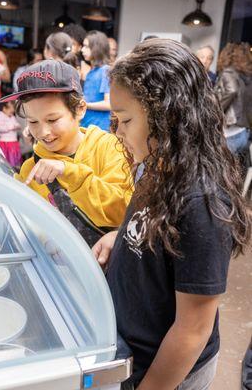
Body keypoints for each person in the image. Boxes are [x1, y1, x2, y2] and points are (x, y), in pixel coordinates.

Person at [93, 39, 251, 389]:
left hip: (167, 372)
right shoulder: (155, 162)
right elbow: (150, 223)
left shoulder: (204, 203)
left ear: (168, 115)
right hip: (132, 349)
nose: (116, 132)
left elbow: (192, 330)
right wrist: (118, 237)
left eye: (125, 120)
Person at [0, 60, 132, 246]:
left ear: (80, 109)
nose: (43, 132)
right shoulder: (31, 168)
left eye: (52, 120)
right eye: (33, 122)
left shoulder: (109, 148)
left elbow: (121, 212)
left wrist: (69, 172)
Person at [216, 42, 252, 157]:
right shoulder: (247, 77)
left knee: (221, 172)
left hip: (230, 133)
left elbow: (232, 90)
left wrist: (216, 110)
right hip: (244, 132)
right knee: (236, 172)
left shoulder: (228, 72)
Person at [81, 30, 111, 131]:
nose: (82, 50)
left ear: (96, 48)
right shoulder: (91, 71)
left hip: (100, 129)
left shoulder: (105, 70)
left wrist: (85, 104)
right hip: (87, 126)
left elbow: (109, 104)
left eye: (86, 46)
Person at [0, 101, 22, 169]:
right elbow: (0, 128)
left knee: (14, 158)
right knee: (6, 159)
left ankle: (14, 168)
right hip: (5, 142)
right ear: (4, 109)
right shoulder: (0, 115)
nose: (11, 114)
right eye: (10, 112)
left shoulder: (12, 116)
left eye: (12, 112)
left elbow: (16, 124)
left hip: (13, 141)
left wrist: (17, 126)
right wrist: (11, 127)